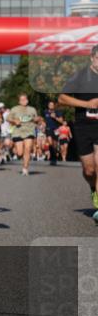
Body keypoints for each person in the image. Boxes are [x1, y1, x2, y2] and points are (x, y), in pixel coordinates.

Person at [58, 45, 98, 220]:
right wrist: (87, 104)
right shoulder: (80, 76)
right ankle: (92, 187)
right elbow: (62, 98)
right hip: (83, 126)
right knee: (89, 170)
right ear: (92, 57)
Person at [7, 93, 43, 177]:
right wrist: (14, 121)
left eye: (25, 99)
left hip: (29, 131)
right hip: (18, 131)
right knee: (20, 153)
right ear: (19, 101)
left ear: (28, 100)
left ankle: (25, 168)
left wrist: (37, 119)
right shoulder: (15, 109)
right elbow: (8, 118)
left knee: (28, 149)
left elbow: (36, 120)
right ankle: (17, 153)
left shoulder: (32, 109)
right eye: (22, 100)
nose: (24, 101)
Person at [43, 100, 64, 166]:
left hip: (56, 129)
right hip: (48, 129)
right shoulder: (45, 111)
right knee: (50, 143)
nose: (51, 106)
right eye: (50, 105)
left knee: (55, 145)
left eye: (52, 105)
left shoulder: (58, 112)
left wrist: (55, 117)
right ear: (48, 106)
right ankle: (52, 158)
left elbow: (61, 121)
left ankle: (54, 158)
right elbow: (44, 120)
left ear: (54, 106)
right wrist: (43, 126)